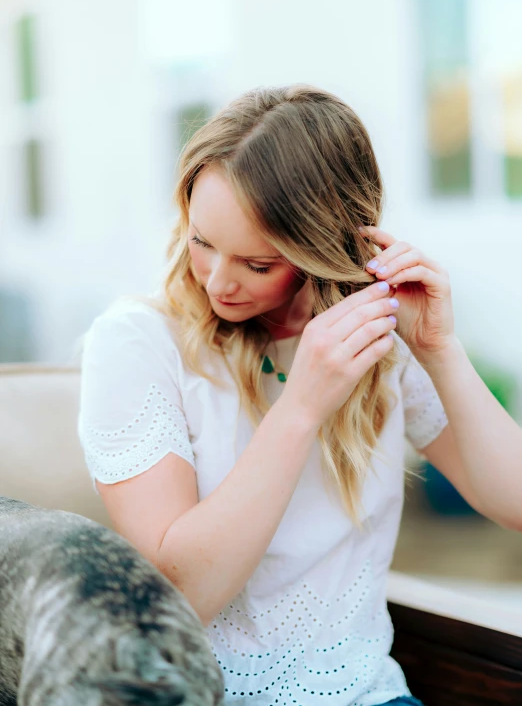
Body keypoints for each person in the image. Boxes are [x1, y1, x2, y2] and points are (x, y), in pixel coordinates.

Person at [78, 85, 522, 706]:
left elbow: (514, 503)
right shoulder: (136, 344)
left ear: (323, 251)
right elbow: (179, 597)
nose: (219, 282)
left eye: (258, 264)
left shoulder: (373, 340)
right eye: (203, 241)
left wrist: (440, 351)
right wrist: (302, 408)